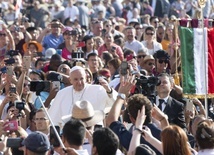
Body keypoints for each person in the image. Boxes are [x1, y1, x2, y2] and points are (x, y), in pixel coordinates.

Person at [106, 75, 165, 155]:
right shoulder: (163, 135)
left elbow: (111, 120)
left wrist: (121, 96)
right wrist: (163, 119)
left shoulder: (130, 136)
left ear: (131, 118)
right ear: (152, 112)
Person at [48, 66, 117, 125]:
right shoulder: (62, 94)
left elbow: (114, 104)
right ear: (70, 80)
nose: (79, 82)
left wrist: (109, 91)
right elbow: (53, 117)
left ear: (86, 78)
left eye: (81, 79)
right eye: (76, 79)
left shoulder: (98, 90)